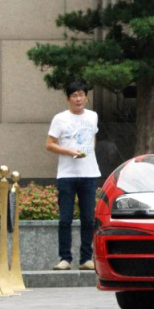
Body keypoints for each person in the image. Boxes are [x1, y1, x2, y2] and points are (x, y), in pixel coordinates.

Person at [46, 82, 100, 271]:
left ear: (86, 97)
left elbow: (92, 137)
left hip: (89, 173)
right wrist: (69, 152)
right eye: (74, 95)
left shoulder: (93, 116)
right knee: (65, 218)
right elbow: (50, 144)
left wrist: (88, 151)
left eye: (82, 95)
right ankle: (65, 258)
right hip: (67, 174)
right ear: (68, 98)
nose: (78, 99)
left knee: (88, 219)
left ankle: (86, 258)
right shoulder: (60, 118)